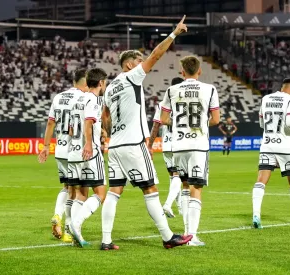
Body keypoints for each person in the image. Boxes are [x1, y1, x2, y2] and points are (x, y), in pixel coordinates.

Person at [101, 16, 193, 251]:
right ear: (130, 65)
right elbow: (156, 55)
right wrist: (173, 33)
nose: (143, 63)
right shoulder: (132, 76)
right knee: (150, 189)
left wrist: (110, 133)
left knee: (114, 191)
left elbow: (105, 117)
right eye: (138, 61)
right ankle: (167, 236)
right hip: (133, 143)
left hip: (115, 146)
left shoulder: (110, 86)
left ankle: (106, 240)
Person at [160, 56, 220, 246]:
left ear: (182, 72)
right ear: (199, 71)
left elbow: (163, 119)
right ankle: (192, 236)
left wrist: (178, 125)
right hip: (198, 145)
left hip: (178, 145)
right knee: (196, 188)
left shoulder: (172, 90)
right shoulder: (209, 89)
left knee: (185, 187)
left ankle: (186, 234)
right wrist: (201, 124)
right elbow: (216, 120)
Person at [251, 78, 290, 229]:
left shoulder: (266, 98)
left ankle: (256, 215)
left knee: (261, 180)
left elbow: (261, 122)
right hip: (285, 146)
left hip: (267, 145)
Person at [38, 68, 88, 242]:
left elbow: (50, 123)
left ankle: (57, 215)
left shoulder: (58, 97)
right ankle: (68, 229)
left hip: (59, 149)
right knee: (78, 192)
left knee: (67, 187)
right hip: (76, 149)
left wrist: (45, 146)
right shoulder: (84, 98)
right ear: (85, 82)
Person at [68, 68, 108, 247]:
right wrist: (90, 144)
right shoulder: (92, 99)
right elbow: (88, 122)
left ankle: (72, 229)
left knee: (81, 192)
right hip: (89, 152)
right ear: (100, 83)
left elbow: (70, 128)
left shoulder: (78, 99)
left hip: (74, 151)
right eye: (105, 82)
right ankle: (76, 224)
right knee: (100, 194)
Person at [149, 77, 185, 218]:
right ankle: (168, 204)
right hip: (180, 142)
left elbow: (156, 126)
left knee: (173, 177)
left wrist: (150, 145)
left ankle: (180, 208)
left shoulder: (163, 103)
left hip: (166, 144)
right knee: (179, 176)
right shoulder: (184, 102)